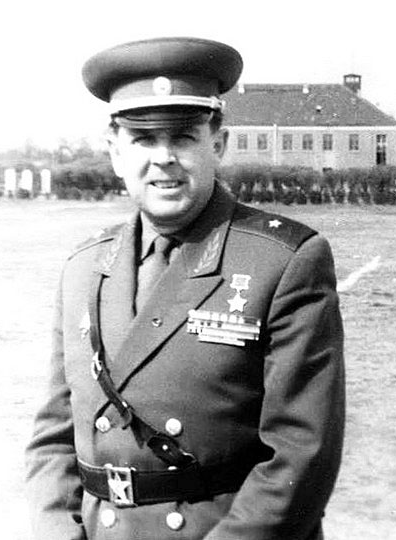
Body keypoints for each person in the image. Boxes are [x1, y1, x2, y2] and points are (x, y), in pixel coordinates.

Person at [25, 37, 345, 540]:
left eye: (183, 137)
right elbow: (53, 439)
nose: (164, 158)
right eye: (143, 139)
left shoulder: (282, 263)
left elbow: (300, 457)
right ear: (115, 152)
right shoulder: (83, 267)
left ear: (217, 144)